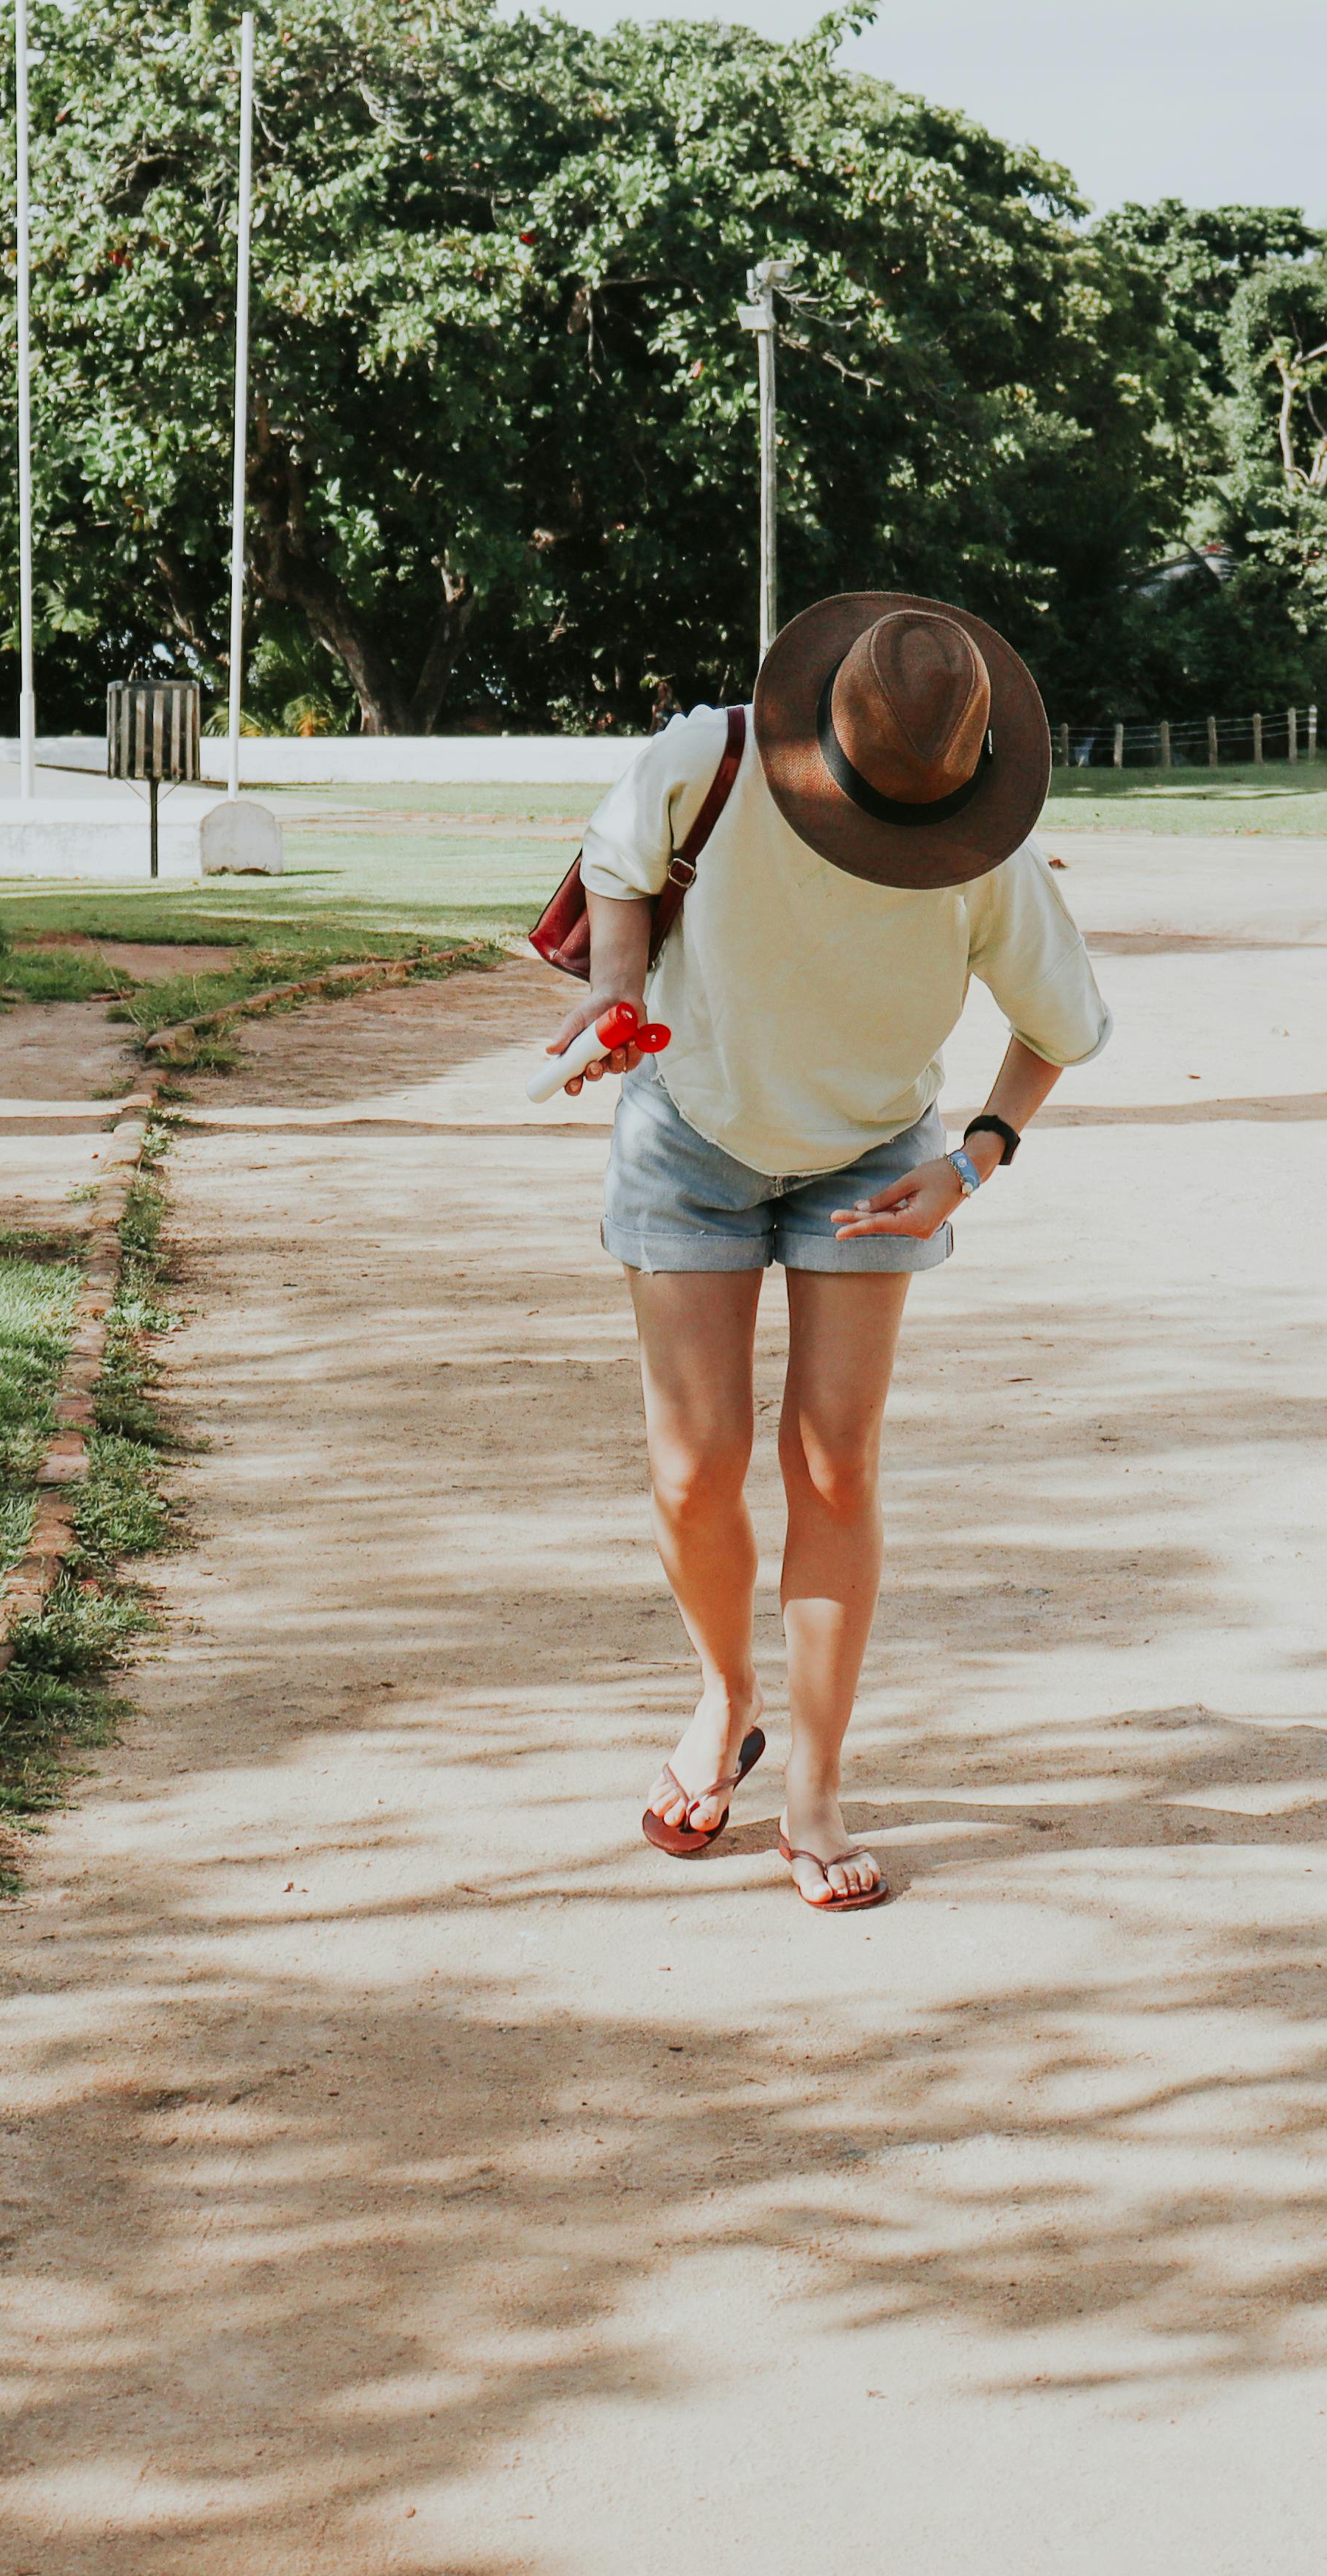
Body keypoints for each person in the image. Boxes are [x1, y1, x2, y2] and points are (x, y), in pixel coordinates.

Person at [549, 592, 1112, 1913]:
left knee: (833, 1462)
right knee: (694, 1472)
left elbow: (1061, 1030)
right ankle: (724, 1695)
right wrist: (616, 992)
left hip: (868, 1161)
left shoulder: (984, 855)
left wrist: (970, 1162)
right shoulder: (714, 758)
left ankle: (814, 1781)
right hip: (690, 1131)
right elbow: (620, 866)